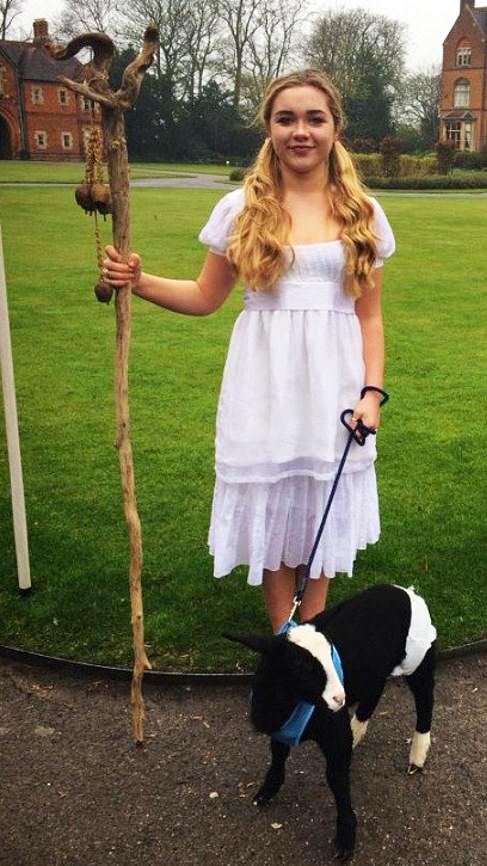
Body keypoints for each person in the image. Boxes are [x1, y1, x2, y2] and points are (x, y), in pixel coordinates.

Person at [101, 69, 396, 633]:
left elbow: (371, 316)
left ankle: (314, 634)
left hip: (335, 382)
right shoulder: (242, 208)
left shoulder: (363, 211)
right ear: (269, 129)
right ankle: (285, 640)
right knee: (273, 496)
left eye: (315, 118)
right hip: (264, 380)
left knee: (318, 503)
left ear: (335, 128)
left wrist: (371, 393)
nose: (300, 131)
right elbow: (205, 296)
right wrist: (138, 281)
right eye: (287, 119)